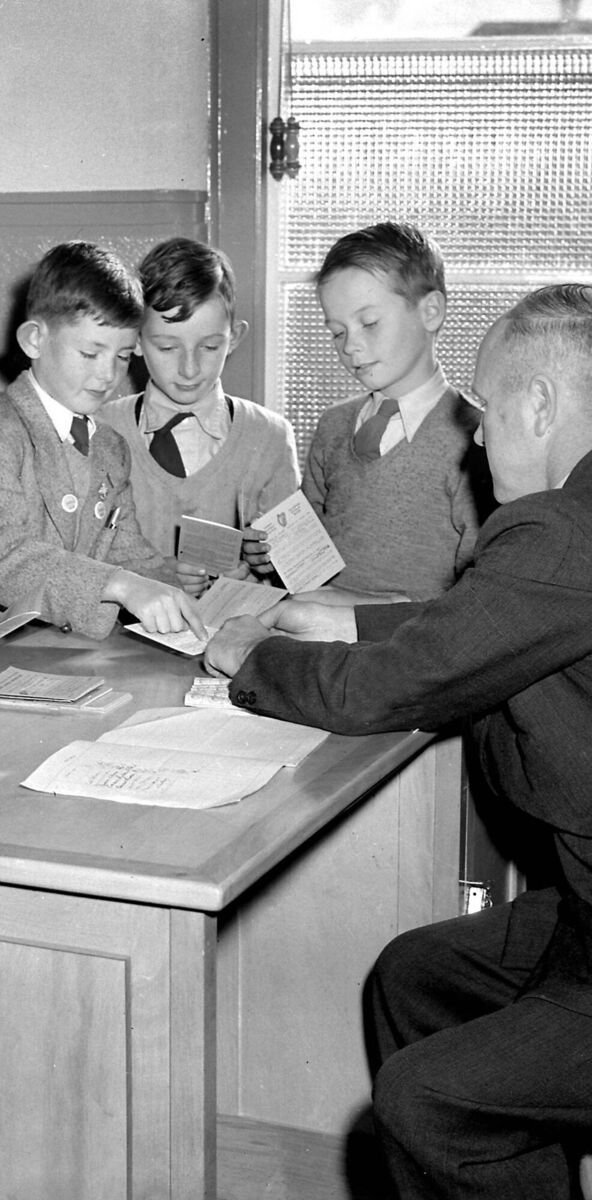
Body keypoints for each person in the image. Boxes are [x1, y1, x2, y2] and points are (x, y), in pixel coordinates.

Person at [204, 282, 592, 1198]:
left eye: (492, 410)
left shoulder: (560, 528)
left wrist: (250, 656)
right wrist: (354, 624)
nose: (481, 435)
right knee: (415, 974)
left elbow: (402, 685)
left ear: (538, 404)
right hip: (580, 897)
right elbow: (493, 623)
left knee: (427, 1102)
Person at [245, 221, 492, 603]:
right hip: (319, 624)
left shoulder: (475, 439)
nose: (350, 346)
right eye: (337, 332)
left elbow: (480, 591)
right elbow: (308, 549)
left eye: (369, 323)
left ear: (431, 312)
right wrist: (270, 555)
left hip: (409, 641)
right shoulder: (334, 426)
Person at [0, 240, 206, 642]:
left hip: (73, 654)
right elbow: (6, 556)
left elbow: (129, 553)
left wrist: (180, 597)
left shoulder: (110, 447)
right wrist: (121, 584)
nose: (108, 375)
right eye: (90, 353)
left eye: (123, 356)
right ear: (34, 341)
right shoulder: (5, 435)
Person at [100, 237, 300, 596]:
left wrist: (266, 566)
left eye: (209, 347)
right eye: (167, 347)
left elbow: (296, 576)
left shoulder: (269, 437)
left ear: (234, 338)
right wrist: (152, 576)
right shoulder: (102, 427)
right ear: (137, 342)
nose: (189, 368)